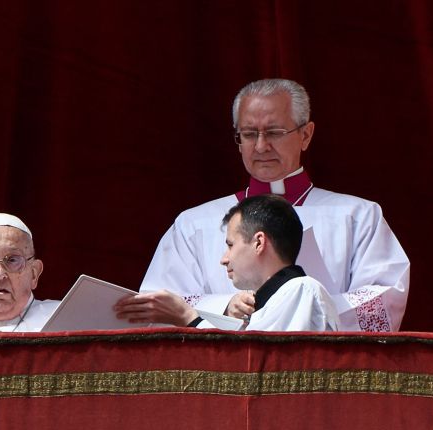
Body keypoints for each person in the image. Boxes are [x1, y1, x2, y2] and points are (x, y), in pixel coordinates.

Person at [124, 78, 408, 332]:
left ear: (306, 134)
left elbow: (383, 300)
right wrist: (225, 307)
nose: (261, 146)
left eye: (273, 132)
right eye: (249, 134)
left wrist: (297, 306)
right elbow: (157, 306)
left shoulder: (357, 216)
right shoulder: (193, 224)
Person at [118, 195, 338, 332]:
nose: (224, 259)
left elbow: (254, 369)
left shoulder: (301, 290)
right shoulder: (277, 300)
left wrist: (188, 318)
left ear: (259, 242)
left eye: (231, 245)